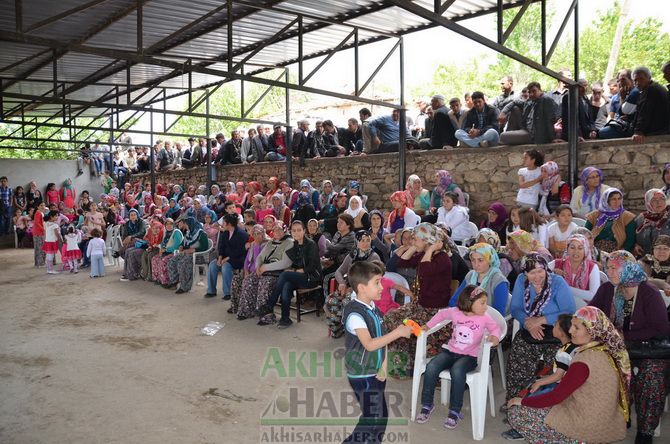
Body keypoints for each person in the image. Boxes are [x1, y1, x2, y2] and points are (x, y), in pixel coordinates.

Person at [506, 306, 630, 444]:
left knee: (516, 413)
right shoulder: (604, 349)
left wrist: (521, 401)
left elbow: (556, 396)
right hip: (603, 420)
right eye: (571, 326)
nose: (570, 331)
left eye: (576, 328)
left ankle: (575, 441)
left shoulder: (583, 362)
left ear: (592, 331)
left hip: (588, 426)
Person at [590, 254, 670, 444]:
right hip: (619, 348)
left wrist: (627, 336)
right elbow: (592, 313)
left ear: (628, 269)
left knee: (651, 376)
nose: (609, 272)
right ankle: (620, 416)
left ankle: (645, 430)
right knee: (598, 364)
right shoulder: (608, 289)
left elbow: (662, 329)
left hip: (646, 350)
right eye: (607, 267)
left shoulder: (648, 292)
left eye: (614, 268)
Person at [341, 261, 413, 444]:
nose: (382, 287)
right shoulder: (355, 314)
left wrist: (384, 365)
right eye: (377, 282)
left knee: (374, 417)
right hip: (362, 374)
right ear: (362, 288)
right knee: (375, 418)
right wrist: (398, 332)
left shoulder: (373, 307)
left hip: (375, 372)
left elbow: (382, 336)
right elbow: (370, 344)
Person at [416, 285, 501, 428]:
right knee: (431, 367)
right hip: (451, 351)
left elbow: (496, 328)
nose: (486, 306)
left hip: (470, 356)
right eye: (482, 303)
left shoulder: (485, 317)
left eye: (485, 302)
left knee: (457, 371)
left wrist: (495, 337)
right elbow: (441, 314)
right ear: (469, 302)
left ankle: (454, 410)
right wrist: (428, 325)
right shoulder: (456, 312)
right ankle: (427, 405)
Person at [504, 253, 576, 403]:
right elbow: (516, 308)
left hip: (557, 332)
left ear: (546, 269)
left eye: (540, 271)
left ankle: (546, 403)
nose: (537, 277)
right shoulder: (521, 281)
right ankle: (516, 401)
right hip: (531, 329)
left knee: (555, 363)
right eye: (532, 273)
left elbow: (569, 311)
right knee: (519, 355)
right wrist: (528, 323)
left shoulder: (557, 282)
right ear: (525, 273)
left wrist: (542, 319)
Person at [383, 223, 453, 376]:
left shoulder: (442, 258)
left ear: (428, 240)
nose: (412, 241)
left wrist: (429, 249)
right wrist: (416, 247)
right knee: (390, 318)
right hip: (420, 305)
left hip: (434, 311)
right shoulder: (424, 255)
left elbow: (426, 270)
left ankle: (410, 364)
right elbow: (402, 262)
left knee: (402, 324)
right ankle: (404, 364)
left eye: (416, 239)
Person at [258, 221, 322, 328]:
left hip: (311, 278)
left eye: (299, 230)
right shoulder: (294, 245)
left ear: (304, 231)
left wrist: (296, 271)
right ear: (291, 232)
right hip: (299, 277)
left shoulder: (311, 244)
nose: (296, 233)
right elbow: (291, 262)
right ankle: (285, 318)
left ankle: (270, 304)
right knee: (286, 284)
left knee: (285, 275)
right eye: (294, 231)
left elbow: (312, 267)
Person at [237, 221, 293, 321]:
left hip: (279, 273)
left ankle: (266, 316)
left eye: (280, 229)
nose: (277, 232)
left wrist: (265, 267)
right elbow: (260, 257)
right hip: (264, 270)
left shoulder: (289, 242)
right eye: (275, 230)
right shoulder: (271, 242)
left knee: (264, 283)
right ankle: (247, 310)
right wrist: (258, 267)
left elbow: (286, 263)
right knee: (248, 280)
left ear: (285, 230)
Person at [449, 243, 509, 315]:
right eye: (473, 260)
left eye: (480, 260)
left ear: (490, 260)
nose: (476, 264)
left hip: (488, 321)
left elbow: (498, 312)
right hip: (466, 317)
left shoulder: (499, 281)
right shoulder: (470, 275)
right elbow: (454, 300)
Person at [205, 213, 249, 302]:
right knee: (213, 265)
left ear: (229, 224)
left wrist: (226, 259)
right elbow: (222, 247)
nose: (222, 224)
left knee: (225, 267)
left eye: (224, 223)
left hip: (237, 259)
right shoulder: (225, 233)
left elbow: (240, 250)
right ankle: (211, 291)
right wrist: (220, 258)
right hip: (225, 258)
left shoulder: (241, 234)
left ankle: (228, 292)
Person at [551, 234, 600, 309]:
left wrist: (563, 287)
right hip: (558, 307)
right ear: (567, 249)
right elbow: (539, 271)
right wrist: (551, 273)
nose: (576, 251)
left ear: (585, 250)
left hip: (584, 310)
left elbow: (592, 295)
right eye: (572, 247)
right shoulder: (557, 264)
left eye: (580, 248)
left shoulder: (592, 267)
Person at [584, 188, 637, 253]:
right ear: (606, 200)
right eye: (613, 199)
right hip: (594, 250)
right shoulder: (594, 215)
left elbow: (630, 239)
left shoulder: (627, 216)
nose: (617, 202)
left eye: (619, 199)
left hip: (617, 251)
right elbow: (584, 233)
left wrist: (621, 252)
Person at [631, 66, 670, 143]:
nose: (638, 83)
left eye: (641, 79)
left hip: (657, 131)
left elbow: (645, 111)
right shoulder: (651, 88)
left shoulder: (651, 89)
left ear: (649, 78)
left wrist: (638, 132)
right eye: (635, 80)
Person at [598, 69, 640, 139]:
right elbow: (618, 113)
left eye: (623, 80)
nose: (620, 83)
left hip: (635, 127)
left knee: (602, 133)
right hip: (628, 123)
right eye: (619, 81)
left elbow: (622, 112)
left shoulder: (634, 92)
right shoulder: (627, 93)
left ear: (631, 80)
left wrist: (622, 98)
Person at [634, 188, 670, 256]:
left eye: (662, 199)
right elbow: (632, 236)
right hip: (646, 258)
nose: (659, 202)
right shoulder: (641, 218)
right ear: (648, 202)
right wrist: (635, 245)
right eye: (654, 200)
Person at [42, 210, 62, 275]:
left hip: (47, 241)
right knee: (51, 256)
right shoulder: (55, 225)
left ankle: (49, 269)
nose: (57, 217)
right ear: (51, 216)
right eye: (56, 216)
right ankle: (50, 270)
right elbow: (57, 234)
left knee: (49, 256)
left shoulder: (46, 223)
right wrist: (61, 239)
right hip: (52, 242)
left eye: (57, 216)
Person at [32, 201, 46, 267]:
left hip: (40, 232)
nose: (43, 207)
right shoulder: (38, 213)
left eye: (44, 205)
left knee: (40, 248)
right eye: (41, 205)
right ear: (38, 207)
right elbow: (37, 223)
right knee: (39, 248)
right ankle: (39, 263)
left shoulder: (40, 213)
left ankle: (39, 262)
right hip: (38, 233)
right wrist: (43, 230)